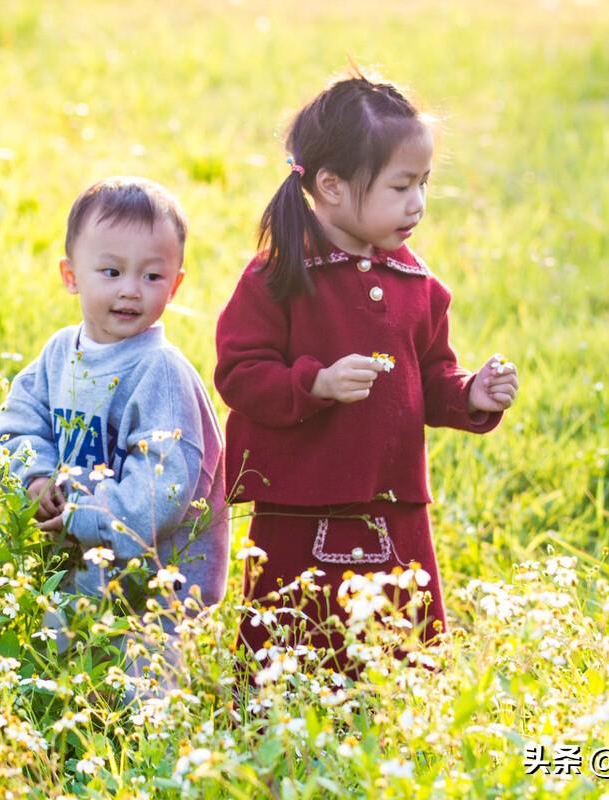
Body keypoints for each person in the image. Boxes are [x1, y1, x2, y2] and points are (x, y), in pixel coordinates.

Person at [214, 71, 519, 668]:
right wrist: (316, 383)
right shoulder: (279, 276)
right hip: (302, 503)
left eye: (424, 184)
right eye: (401, 186)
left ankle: (397, 732)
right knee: (291, 639)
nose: (418, 204)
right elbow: (240, 374)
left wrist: (473, 395)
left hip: (395, 502)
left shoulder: (417, 285)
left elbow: (432, 378)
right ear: (329, 184)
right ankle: (275, 730)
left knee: (399, 643)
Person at [0, 176, 230, 693]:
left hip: (155, 597)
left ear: (176, 285)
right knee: (63, 692)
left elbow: (163, 487)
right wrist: (34, 478)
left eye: (151, 276)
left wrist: (81, 513)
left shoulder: (160, 371)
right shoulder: (59, 353)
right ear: (71, 276)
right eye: (112, 271)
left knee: (141, 711)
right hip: (76, 579)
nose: (130, 289)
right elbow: (17, 424)